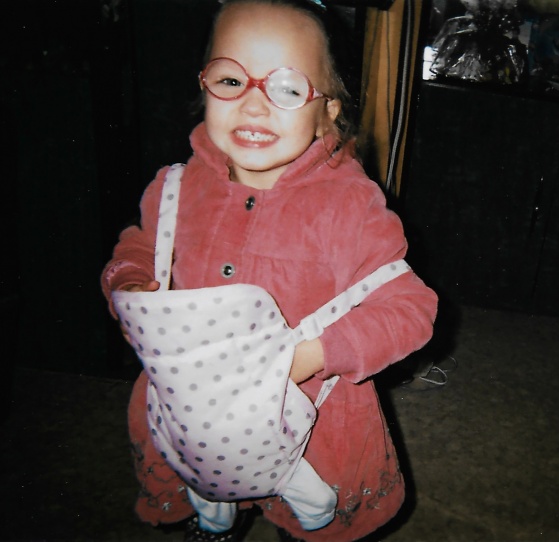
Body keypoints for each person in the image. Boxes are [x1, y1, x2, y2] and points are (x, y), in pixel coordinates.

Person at [99, 0, 438, 540]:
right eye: (231, 80)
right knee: (206, 488)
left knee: (305, 520)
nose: (253, 104)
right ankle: (217, 521)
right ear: (204, 85)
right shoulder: (175, 188)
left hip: (309, 419)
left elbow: (411, 308)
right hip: (195, 413)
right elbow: (140, 247)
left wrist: (313, 355)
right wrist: (131, 287)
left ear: (328, 111)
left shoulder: (350, 208)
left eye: (287, 88)